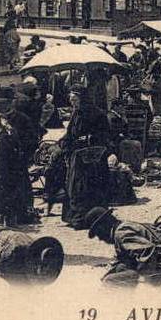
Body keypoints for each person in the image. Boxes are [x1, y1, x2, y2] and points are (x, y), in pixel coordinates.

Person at [58, 84, 112, 227]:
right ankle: (76, 217)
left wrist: (89, 138)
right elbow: (70, 133)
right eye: (71, 100)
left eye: (75, 100)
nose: (73, 103)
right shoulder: (76, 114)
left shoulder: (97, 114)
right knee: (75, 187)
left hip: (92, 158)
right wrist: (62, 142)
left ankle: (90, 218)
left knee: (87, 188)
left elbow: (104, 135)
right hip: (77, 155)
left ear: (83, 99)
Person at [0, 86, 35, 226]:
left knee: (17, 189)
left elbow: (32, 141)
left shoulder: (22, 119)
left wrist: (23, 155)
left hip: (15, 162)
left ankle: (19, 215)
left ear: (10, 103)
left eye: (2, 102)